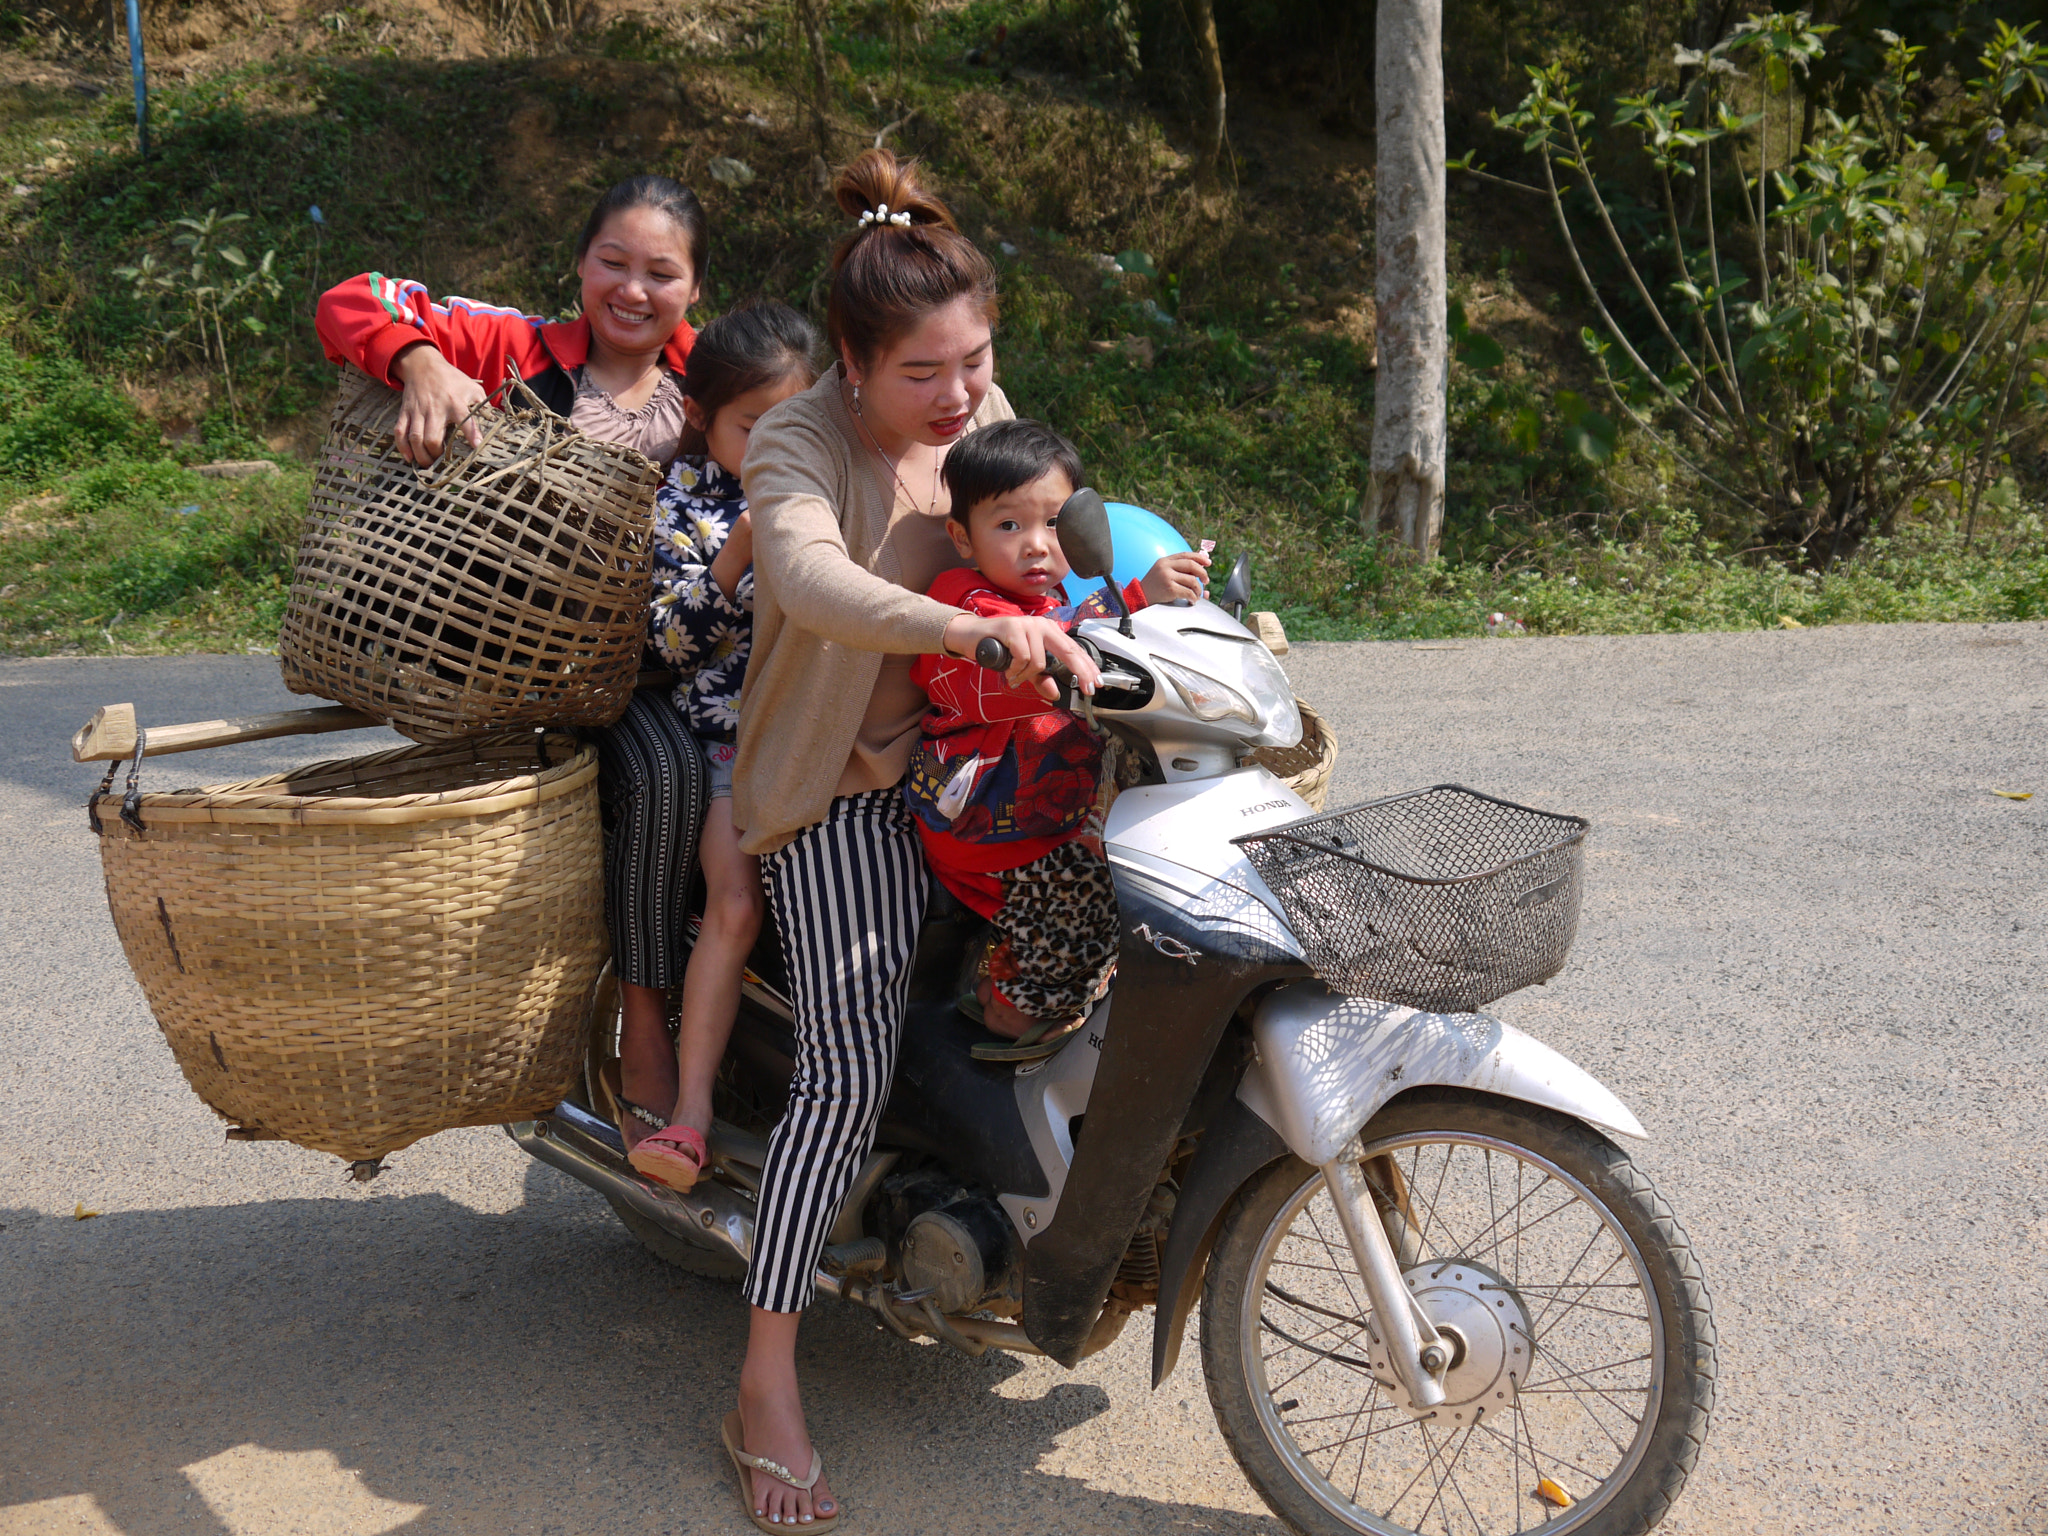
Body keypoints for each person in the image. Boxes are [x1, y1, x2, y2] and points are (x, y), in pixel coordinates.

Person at [715, 148, 1100, 1533]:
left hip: (980, 757)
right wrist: (967, 625)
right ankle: (765, 1382)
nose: (960, 401)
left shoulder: (978, 401)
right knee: (850, 1056)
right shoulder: (798, 439)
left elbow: (1063, 509)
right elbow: (809, 576)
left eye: (977, 367)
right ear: (851, 364)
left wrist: (1161, 587)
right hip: (842, 788)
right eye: (925, 378)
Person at [315, 176, 712, 1150]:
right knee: (666, 778)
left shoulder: (714, 383)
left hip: (660, 657)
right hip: (525, 660)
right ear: (579, 265)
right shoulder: (512, 347)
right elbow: (350, 299)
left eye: (660, 272)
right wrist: (417, 363)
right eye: (612, 262)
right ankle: (646, 1015)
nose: (631, 288)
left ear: (693, 289)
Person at [904, 419, 1209, 1060]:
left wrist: (1149, 605)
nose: (1037, 545)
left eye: (1052, 524)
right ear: (962, 536)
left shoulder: (1060, 600)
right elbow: (1040, 644)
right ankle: (1005, 1021)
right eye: (1009, 525)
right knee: (1083, 906)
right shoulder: (962, 605)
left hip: (1052, 813)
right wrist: (1130, 597)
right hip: (989, 819)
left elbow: (1089, 629)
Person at [626, 302, 820, 1192]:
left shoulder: (835, 488)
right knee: (737, 906)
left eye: (795, 423)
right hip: (731, 749)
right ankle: (693, 1112)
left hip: (831, 740)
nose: (775, 445)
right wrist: (735, 560)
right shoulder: (678, 505)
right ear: (704, 417)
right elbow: (665, 646)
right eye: (754, 427)